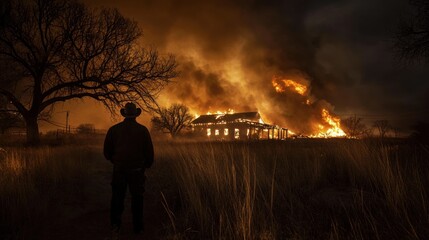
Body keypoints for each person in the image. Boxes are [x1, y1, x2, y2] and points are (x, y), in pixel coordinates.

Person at [103, 102, 154, 238]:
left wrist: (115, 161)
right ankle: (138, 228)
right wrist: (145, 166)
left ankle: (115, 226)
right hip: (137, 171)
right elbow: (149, 153)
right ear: (136, 115)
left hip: (119, 170)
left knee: (117, 199)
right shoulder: (143, 130)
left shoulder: (114, 130)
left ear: (124, 114)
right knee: (137, 199)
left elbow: (106, 153)